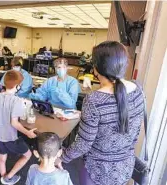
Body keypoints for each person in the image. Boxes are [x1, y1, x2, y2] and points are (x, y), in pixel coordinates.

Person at [55, 41, 144, 185]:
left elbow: (84, 144)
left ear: (96, 69)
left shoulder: (94, 100)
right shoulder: (138, 89)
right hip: (125, 167)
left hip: (97, 170)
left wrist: (62, 157)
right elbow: (135, 131)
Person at [0, 70, 37, 185]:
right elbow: (14, 123)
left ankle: (3, 175)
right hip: (10, 137)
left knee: (2, 157)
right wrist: (28, 133)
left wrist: (0, 124)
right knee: (27, 155)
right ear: (17, 86)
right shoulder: (16, 100)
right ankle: (8, 177)